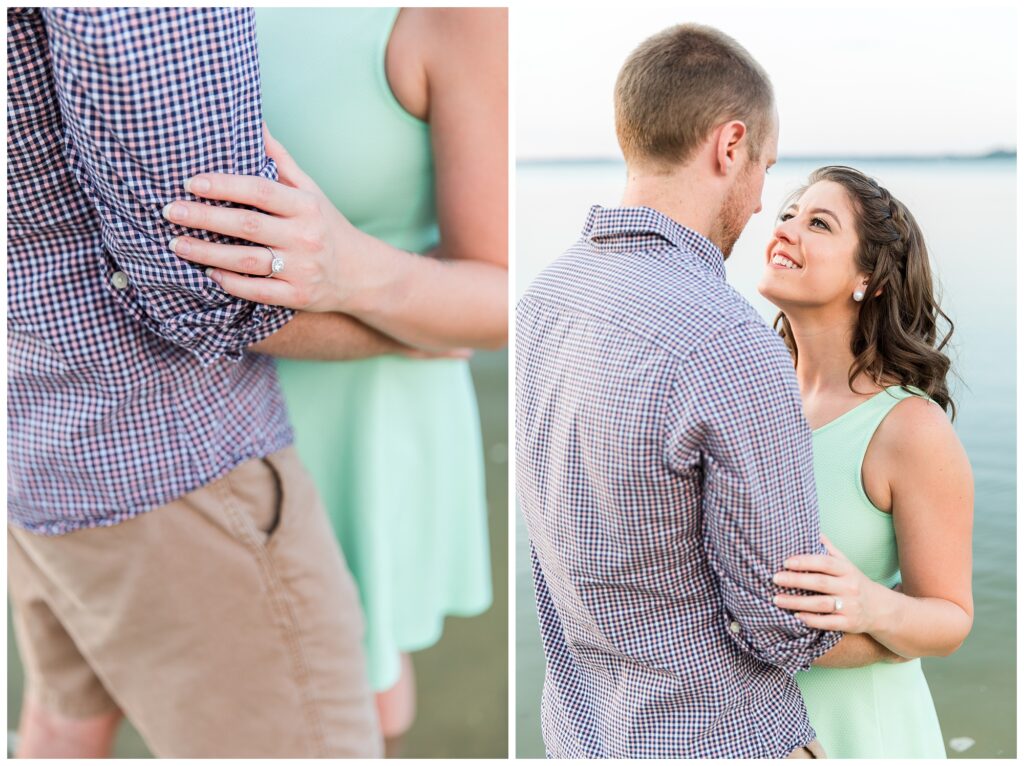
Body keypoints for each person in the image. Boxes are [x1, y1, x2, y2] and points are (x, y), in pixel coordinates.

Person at [6, 7, 431, 758]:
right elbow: (206, 286)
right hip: (181, 459)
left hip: (38, 434)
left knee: (56, 732)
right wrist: (418, 325)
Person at [514, 24, 911, 759]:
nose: (763, 203)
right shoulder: (729, 343)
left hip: (582, 735)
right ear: (730, 147)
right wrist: (901, 642)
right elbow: (782, 624)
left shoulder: (542, 302)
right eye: (765, 168)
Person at [162, 7, 508, 744]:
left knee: (358, 684)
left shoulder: (459, 16)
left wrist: (356, 278)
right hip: (170, 417)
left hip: (366, 428)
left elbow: (507, 299)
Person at [758, 166, 973, 758]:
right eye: (786, 216)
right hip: (747, 728)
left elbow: (950, 618)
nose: (786, 230)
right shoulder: (754, 395)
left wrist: (869, 603)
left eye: (818, 223)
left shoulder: (909, 428)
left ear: (869, 280)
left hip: (863, 732)